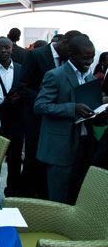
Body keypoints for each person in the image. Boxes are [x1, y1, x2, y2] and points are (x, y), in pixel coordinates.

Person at [34, 36, 103, 204]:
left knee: (77, 194)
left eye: (92, 57)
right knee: (58, 197)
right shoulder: (55, 75)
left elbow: (91, 108)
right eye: (85, 57)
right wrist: (72, 108)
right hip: (61, 147)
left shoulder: (91, 79)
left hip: (85, 144)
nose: (89, 61)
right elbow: (40, 106)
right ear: (72, 55)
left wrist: (101, 112)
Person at [17, 30, 82, 198]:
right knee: (33, 162)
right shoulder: (36, 55)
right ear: (65, 43)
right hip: (37, 120)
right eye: (72, 51)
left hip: (60, 123)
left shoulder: (71, 60)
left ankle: (47, 197)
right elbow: (23, 87)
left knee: (54, 166)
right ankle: (27, 200)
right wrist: (48, 100)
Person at [0, 37, 23, 197]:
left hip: (16, 122)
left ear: (12, 49)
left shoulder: (20, 68)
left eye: (7, 48)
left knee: (15, 161)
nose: (4, 51)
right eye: (0, 48)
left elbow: (24, 89)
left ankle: (12, 195)